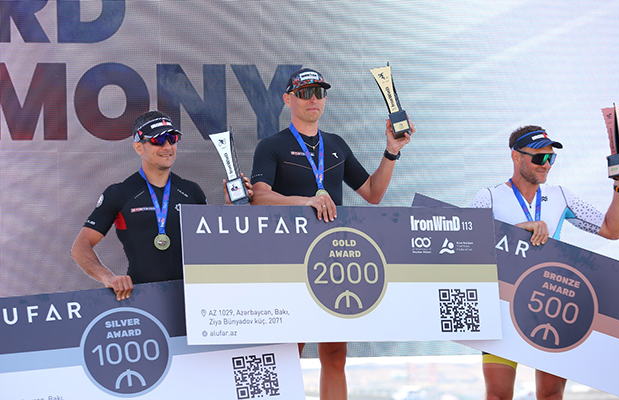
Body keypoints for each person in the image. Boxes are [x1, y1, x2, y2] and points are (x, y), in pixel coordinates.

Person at [250, 68, 413, 400]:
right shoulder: (272, 145)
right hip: (290, 259)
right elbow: (259, 196)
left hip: (332, 259)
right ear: (288, 99)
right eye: (304, 93)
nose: (313, 99)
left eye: (319, 92)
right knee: (288, 351)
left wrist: (392, 151)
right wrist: (306, 201)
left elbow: (373, 193)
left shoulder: (336, 144)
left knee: (336, 355)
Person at [471, 125, 619, 400]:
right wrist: (518, 230)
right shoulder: (488, 197)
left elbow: (612, 230)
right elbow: (469, 248)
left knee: (551, 395)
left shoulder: (561, 195)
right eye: (539, 158)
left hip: (549, 307)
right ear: (516, 156)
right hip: (502, 309)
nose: (546, 165)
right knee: (498, 396)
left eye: (551, 158)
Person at [72, 110, 250, 301]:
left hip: (191, 301)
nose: (167, 146)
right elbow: (80, 247)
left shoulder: (191, 191)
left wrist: (231, 210)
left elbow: (212, 245)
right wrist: (108, 277)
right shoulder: (120, 193)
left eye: (172, 139)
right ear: (138, 147)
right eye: (158, 140)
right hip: (142, 300)